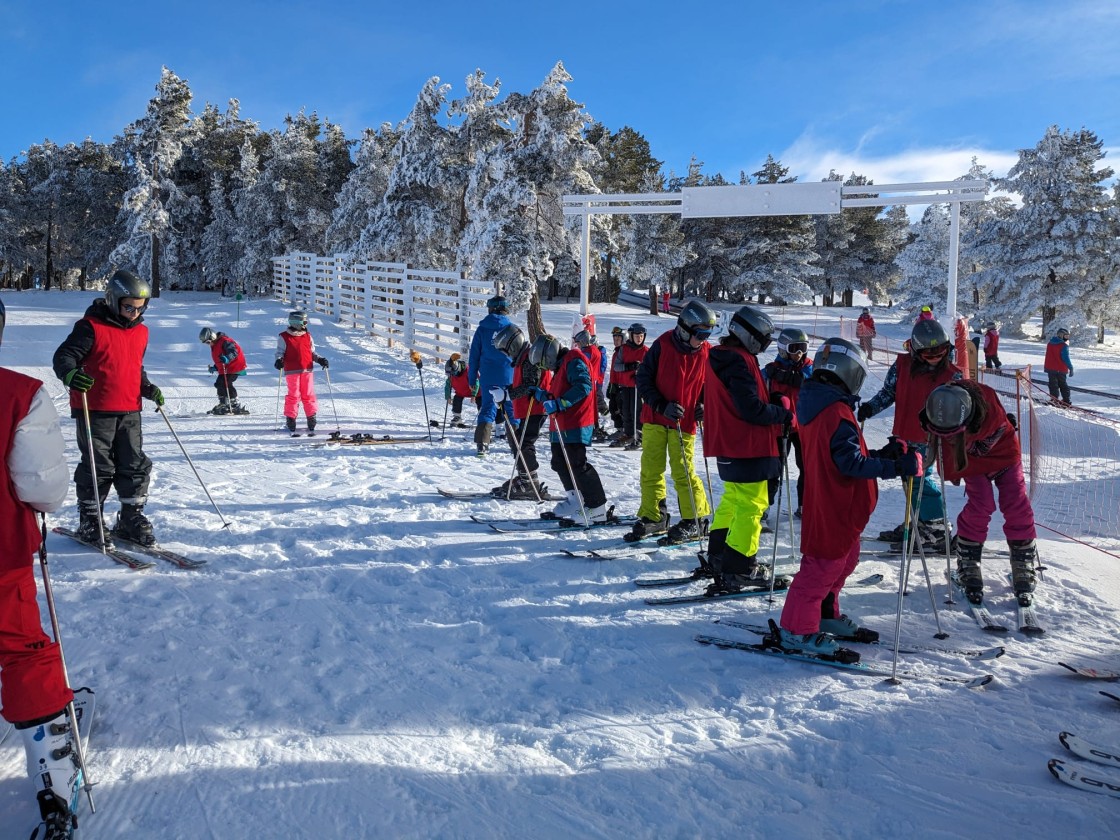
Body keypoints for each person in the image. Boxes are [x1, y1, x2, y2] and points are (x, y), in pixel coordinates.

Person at [778, 338, 922, 657]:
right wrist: (895, 465)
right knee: (821, 569)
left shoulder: (826, 403)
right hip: (833, 506)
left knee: (844, 560)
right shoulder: (833, 410)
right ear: (847, 372)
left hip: (843, 507)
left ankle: (826, 614)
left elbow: (846, 452)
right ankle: (796, 630)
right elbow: (849, 462)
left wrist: (886, 454)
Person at [1, 297, 84, 836]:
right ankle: (53, 767)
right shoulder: (18, 393)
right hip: (1, 555)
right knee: (20, 648)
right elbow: (43, 485)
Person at [53, 269, 165, 547]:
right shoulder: (90, 327)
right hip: (95, 409)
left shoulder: (141, 332)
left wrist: (147, 387)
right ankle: (90, 518)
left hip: (130, 409)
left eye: (141, 308)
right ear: (114, 300)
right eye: (129, 307)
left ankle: (130, 516)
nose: (135, 313)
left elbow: (132, 366)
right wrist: (69, 374)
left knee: (134, 463)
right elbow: (64, 356)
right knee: (98, 465)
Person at [921, 381, 1038, 606]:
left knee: (1016, 502)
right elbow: (942, 436)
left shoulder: (988, 407)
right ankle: (968, 559)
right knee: (981, 504)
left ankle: (1023, 560)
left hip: (1003, 454)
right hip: (970, 458)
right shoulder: (942, 409)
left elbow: (985, 430)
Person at [703, 306, 793, 593]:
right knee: (751, 508)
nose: (765, 344)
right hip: (748, 445)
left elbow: (747, 398)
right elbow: (751, 409)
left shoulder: (727, 357)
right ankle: (741, 566)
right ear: (749, 335)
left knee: (734, 500)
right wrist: (782, 413)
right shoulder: (738, 361)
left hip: (731, 445)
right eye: (763, 338)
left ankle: (720, 554)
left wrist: (773, 398)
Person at [857, 319, 962, 550]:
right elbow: (888, 392)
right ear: (915, 350)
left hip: (931, 438)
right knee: (909, 481)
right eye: (928, 353)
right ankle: (916, 523)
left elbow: (962, 408)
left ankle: (936, 529)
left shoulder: (952, 375)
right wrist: (870, 408)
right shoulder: (902, 365)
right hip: (904, 434)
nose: (935, 357)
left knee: (921, 481)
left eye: (940, 352)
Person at [628, 300, 716, 544]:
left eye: (708, 334)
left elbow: (711, 387)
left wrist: (703, 405)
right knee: (651, 469)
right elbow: (643, 378)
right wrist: (659, 404)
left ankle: (695, 519)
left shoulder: (706, 353)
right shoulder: (663, 344)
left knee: (683, 470)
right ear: (685, 329)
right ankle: (654, 516)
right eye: (701, 334)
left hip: (684, 423)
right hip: (656, 418)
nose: (704, 339)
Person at [527, 334, 608, 522]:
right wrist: (541, 396)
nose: (545, 367)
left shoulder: (574, 359)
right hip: (561, 424)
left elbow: (583, 386)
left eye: (544, 363)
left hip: (576, 422)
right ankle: (575, 499)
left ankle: (597, 506)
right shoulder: (562, 366)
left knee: (577, 463)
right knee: (559, 462)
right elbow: (557, 395)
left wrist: (560, 403)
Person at [490, 325, 550, 499]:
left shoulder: (530, 358)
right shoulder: (523, 358)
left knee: (524, 443)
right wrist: (505, 391)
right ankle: (525, 478)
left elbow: (530, 385)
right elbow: (521, 384)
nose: (506, 354)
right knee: (519, 442)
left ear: (513, 345)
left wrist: (507, 394)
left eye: (506, 350)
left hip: (536, 407)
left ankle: (531, 483)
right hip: (528, 408)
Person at [762, 327, 813, 519]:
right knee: (775, 468)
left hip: (802, 426)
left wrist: (786, 376)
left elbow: (808, 381)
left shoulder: (809, 366)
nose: (799, 353)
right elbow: (758, 385)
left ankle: (805, 505)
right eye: (795, 348)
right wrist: (772, 374)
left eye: (803, 348)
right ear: (783, 349)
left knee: (807, 466)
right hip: (779, 427)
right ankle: (763, 507)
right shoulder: (772, 369)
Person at [467, 296, 513, 455]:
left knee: (488, 408)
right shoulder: (511, 328)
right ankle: (519, 442)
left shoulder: (482, 329)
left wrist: (472, 379)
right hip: (508, 375)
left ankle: (482, 444)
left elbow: (474, 356)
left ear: (490, 309)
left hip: (488, 375)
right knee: (510, 408)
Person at [275, 310, 328, 435]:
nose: (306, 323)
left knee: (308, 394)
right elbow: (279, 352)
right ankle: (291, 418)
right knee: (294, 395)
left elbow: (311, 353)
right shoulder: (284, 337)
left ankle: (311, 417)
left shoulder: (307, 336)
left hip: (307, 370)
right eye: (304, 321)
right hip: (292, 370)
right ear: (296, 322)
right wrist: (279, 360)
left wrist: (320, 359)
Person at [611, 323, 648, 448]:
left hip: (638, 387)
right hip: (626, 386)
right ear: (631, 336)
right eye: (637, 336)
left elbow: (651, 369)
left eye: (641, 336)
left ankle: (640, 434)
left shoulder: (646, 351)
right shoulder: (624, 349)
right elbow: (616, 366)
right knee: (626, 411)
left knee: (637, 410)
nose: (639, 338)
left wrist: (641, 375)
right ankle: (628, 433)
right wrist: (629, 366)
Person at [199, 327, 249, 415]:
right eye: (206, 343)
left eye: (208, 342)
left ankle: (234, 404)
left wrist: (227, 358)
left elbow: (234, 352)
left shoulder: (225, 341)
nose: (208, 344)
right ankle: (223, 403)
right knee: (219, 383)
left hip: (235, 365)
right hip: (227, 367)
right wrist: (215, 367)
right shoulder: (215, 344)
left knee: (226, 383)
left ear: (213, 337)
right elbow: (220, 358)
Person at [443, 353, 477, 428]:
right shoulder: (451, 375)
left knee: (481, 402)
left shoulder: (468, 372)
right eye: (449, 374)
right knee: (457, 399)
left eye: (453, 374)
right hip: (461, 391)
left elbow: (476, 381)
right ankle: (457, 417)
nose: (452, 376)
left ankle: (485, 421)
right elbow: (448, 386)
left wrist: (474, 394)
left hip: (476, 391)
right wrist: (448, 396)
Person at [606, 326, 626, 439]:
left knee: (622, 408)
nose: (616, 341)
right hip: (614, 384)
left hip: (622, 385)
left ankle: (625, 430)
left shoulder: (625, 352)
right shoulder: (616, 353)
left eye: (618, 338)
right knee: (613, 407)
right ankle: (619, 429)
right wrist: (611, 384)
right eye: (614, 338)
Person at [1044, 327, 1073, 405]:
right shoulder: (1063, 346)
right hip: (1061, 369)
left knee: (1053, 385)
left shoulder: (1050, 344)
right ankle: (1066, 401)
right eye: (1066, 336)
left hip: (1051, 369)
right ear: (1061, 335)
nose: (1067, 338)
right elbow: (1066, 358)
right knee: (1063, 385)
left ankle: (1054, 399)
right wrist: (1071, 367)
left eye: (1068, 336)